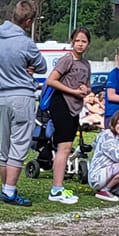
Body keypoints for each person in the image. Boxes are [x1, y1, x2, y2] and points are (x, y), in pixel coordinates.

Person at [0, 0, 43, 206]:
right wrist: (27, 67)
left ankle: (6, 187)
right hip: (22, 96)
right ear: (28, 21)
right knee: (19, 146)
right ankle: (10, 192)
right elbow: (41, 65)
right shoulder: (26, 42)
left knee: (4, 146)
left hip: (2, 96)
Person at [44, 28, 94, 205]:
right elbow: (51, 80)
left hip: (75, 107)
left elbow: (87, 85)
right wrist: (72, 91)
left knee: (67, 146)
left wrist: (85, 90)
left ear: (88, 44)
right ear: (72, 42)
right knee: (64, 147)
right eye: (77, 41)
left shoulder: (86, 64)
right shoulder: (67, 60)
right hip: (61, 104)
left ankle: (59, 187)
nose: (80, 44)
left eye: (84, 41)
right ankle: (56, 189)